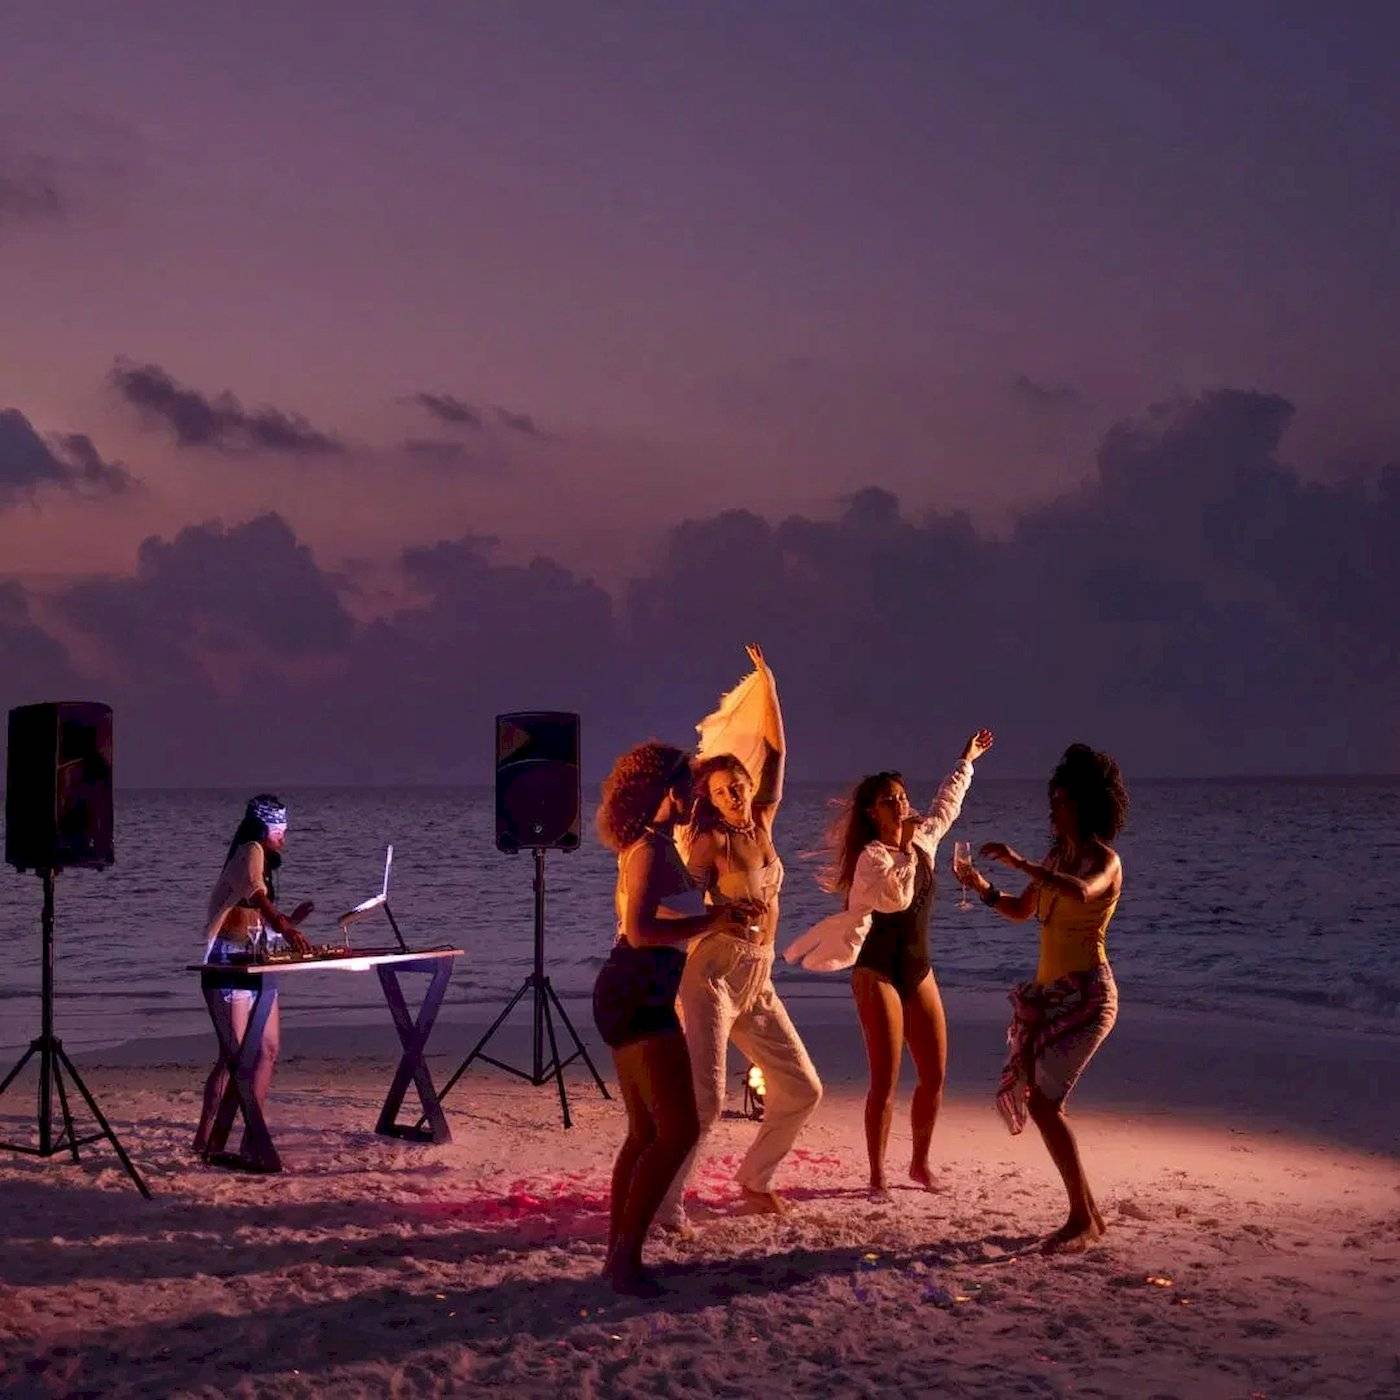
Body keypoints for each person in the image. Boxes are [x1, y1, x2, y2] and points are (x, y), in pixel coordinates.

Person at [656, 644, 822, 1230]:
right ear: (709, 797)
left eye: (738, 786)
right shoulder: (709, 843)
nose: (734, 795)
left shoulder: (766, 822)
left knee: (802, 1088)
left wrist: (768, 683)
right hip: (713, 976)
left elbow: (775, 751)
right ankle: (667, 1204)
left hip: (760, 976)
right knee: (706, 1101)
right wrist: (717, 918)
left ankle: (754, 1178)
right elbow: (672, 910)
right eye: (722, 791)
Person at [789, 730, 993, 1196]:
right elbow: (897, 899)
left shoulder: (922, 837)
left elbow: (948, 803)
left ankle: (919, 1164)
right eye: (889, 800)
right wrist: (905, 845)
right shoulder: (872, 858)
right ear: (872, 811)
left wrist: (966, 759)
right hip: (876, 969)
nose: (901, 804)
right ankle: (878, 1174)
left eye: (902, 797)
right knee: (886, 1078)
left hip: (918, 968)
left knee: (935, 1074)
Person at [593, 742, 761, 1297]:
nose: (696, 796)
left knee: (645, 1132)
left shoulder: (658, 843)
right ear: (670, 792)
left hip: (637, 990)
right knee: (679, 1129)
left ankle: (619, 1253)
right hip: (637, 990)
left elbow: (667, 917)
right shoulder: (646, 849)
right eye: (690, 786)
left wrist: (721, 915)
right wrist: (713, 922)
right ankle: (625, 1261)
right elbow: (641, 932)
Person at [954, 743, 1127, 1253]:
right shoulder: (1056, 857)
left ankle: (1082, 1217)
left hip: (1089, 997)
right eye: (1052, 801)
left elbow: (1082, 893)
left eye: (1061, 802)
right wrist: (982, 885)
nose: (1053, 811)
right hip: (1051, 996)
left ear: (1085, 806)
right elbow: (1021, 910)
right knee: (1046, 1103)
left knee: (1046, 1104)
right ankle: (1088, 1214)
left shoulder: (1105, 861)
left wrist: (1019, 861)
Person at [192, 794, 313, 1160]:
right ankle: (208, 1136)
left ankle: (249, 1134)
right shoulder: (249, 850)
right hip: (227, 963)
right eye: (279, 831)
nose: (283, 838)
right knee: (236, 1057)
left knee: (268, 1049)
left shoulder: (260, 861)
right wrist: (283, 924)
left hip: (255, 959)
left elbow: (259, 920)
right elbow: (257, 897)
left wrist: (290, 921)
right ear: (264, 829)